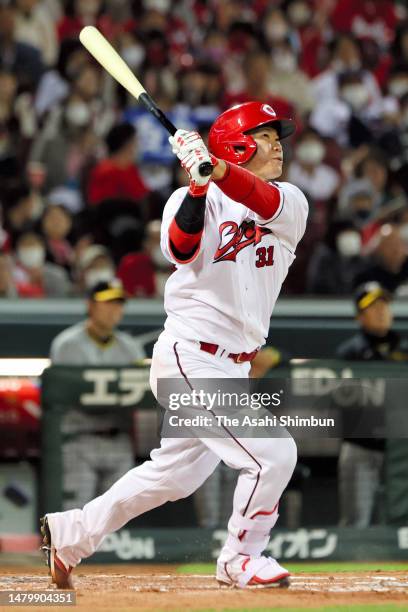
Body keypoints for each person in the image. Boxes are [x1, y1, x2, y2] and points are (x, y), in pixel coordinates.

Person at [41, 101, 308, 589]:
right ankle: (239, 557)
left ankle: (72, 532)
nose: (277, 146)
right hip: (190, 354)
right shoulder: (189, 199)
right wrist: (199, 184)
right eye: (266, 136)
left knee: (175, 476)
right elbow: (181, 250)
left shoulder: (290, 201)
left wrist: (218, 168)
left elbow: (260, 201)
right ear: (237, 141)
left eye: (278, 138)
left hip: (233, 365)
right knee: (273, 454)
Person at [49, 279, 145, 510]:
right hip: (80, 438)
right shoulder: (67, 344)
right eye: (108, 303)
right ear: (90, 305)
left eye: (119, 303)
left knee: (117, 513)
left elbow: (143, 394)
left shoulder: (131, 348)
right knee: (76, 512)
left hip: (118, 439)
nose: (115, 309)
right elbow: (66, 395)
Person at [336, 282, 408, 527]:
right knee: (357, 520)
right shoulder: (350, 353)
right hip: (362, 446)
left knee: (401, 521)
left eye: (384, 304)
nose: (381, 311)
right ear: (359, 316)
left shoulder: (404, 349)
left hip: (401, 448)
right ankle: (354, 563)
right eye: (372, 307)